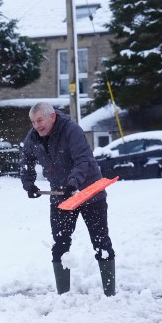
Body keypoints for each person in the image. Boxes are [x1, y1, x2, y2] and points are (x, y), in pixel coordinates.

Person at [20, 102, 116, 296]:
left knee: (100, 242)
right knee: (60, 243)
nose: (37, 126)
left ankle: (110, 294)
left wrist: (73, 183)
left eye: (40, 120)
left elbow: (83, 160)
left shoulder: (71, 130)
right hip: (61, 196)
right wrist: (28, 183)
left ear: (52, 117)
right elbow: (26, 159)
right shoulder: (33, 137)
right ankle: (63, 296)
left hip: (89, 192)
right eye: (33, 122)